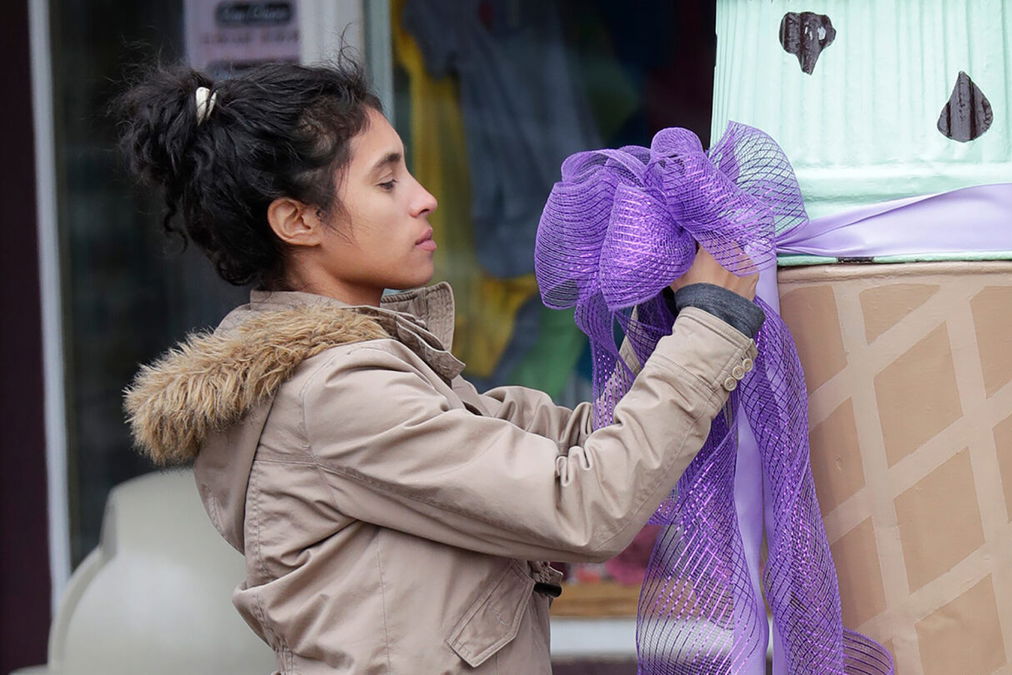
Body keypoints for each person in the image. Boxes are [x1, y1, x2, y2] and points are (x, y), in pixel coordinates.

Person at [117, 58, 762, 674]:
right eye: (387, 180)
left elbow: (584, 442)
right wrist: (711, 322)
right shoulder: (335, 393)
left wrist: (667, 310)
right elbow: (587, 504)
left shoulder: (369, 370)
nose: (424, 198)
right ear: (297, 220)